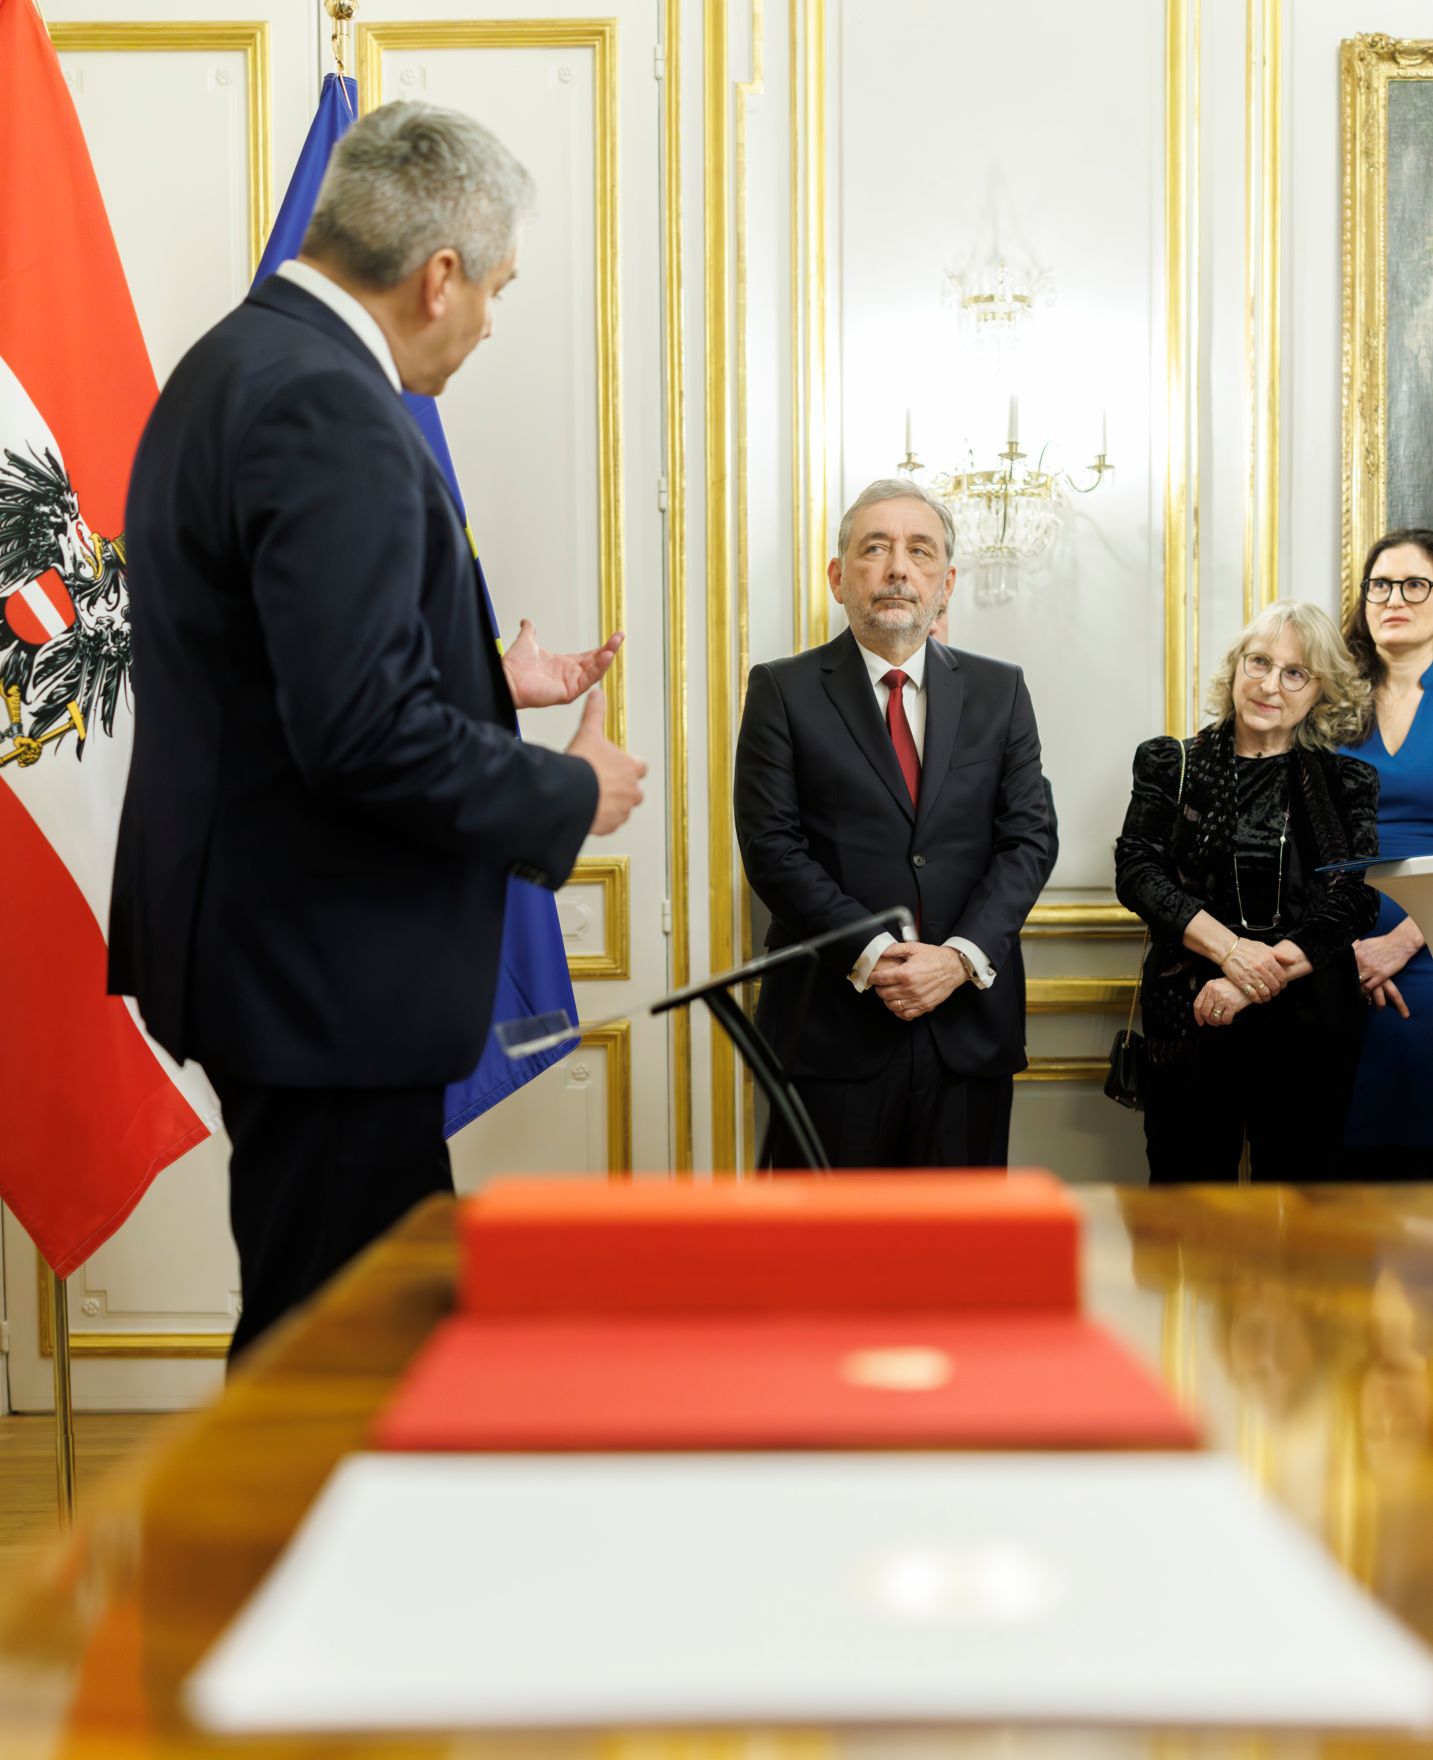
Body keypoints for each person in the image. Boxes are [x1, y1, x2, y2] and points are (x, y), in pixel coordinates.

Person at [109, 103, 647, 1359]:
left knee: (345, 1336)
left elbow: (280, 668)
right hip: (320, 974)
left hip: (279, 960)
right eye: (497, 289)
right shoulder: (325, 405)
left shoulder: (237, 361)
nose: (489, 324)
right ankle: (282, 1560)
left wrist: (478, 678)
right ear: (439, 275)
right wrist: (568, 791)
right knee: (334, 1360)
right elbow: (356, 733)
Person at [733, 477, 1052, 1170]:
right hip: (827, 1029)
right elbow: (771, 848)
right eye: (874, 549)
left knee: (956, 1264)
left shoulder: (1000, 691)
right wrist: (877, 955)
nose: (897, 568)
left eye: (919, 551)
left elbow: (1027, 838)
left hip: (966, 1023)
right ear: (837, 576)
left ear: (946, 582)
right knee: (821, 1264)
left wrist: (959, 956)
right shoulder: (780, 691)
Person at [1114, 601, 1378, 1183]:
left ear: (1319, 693)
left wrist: (1250, 979)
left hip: (1309, 1031)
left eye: (1295, 673)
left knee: (1302, 1225)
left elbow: (1354, 900)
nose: (1269, 685)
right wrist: (1231, 951)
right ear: (1236, 666)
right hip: (1190, 1019)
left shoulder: (1347, 782)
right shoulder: (1169, 762)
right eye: (1259, 662)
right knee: (1186, 1217)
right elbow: (1137, 872)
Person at [1339, 530, 1433, 1178]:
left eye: (1413, 584)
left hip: (1423, 954)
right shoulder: (1326, 702)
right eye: (1379, 584)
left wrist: (1400, 942)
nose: (1392, 598)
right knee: (1338, 1180)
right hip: (1331, 962)